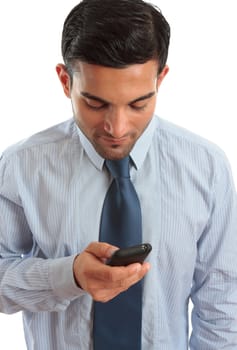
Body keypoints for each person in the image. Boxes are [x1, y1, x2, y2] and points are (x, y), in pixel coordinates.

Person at [0, 0, 237, 348]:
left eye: (139, 104)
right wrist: (69, 276)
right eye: (95, 104)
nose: (117, 127)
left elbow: (222, 305)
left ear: (161, 78)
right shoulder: (22, 166)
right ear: (66, 81)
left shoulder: (206, 167)